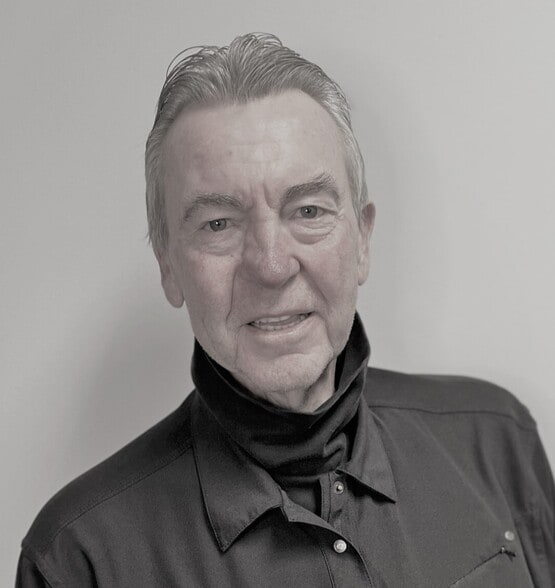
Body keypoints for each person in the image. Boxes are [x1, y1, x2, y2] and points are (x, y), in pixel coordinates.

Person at [17, 33, 554, 587]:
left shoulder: (494, 440)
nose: (271, 266)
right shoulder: (79, 560)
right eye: (219, 224)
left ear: (362, 241)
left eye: (308, 210)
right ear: (169, 266)